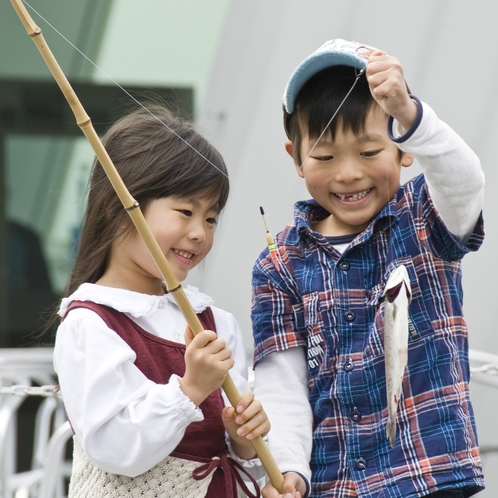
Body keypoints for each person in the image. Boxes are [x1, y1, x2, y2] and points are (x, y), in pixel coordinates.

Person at [251, 39, 485, 498]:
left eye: (368, 151)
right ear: (295, 157)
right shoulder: (279, 263)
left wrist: (412, 114)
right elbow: (282, 384)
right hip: (336, 486)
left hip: (430, 476)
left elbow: (465, 180)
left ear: (403, 147)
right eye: (324, 156)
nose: (348, 173)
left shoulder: (423, 216)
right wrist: (289, 470)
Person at [54, 104, 269, 497]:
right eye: (185, 211)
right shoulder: (89, 324)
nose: (199, 233)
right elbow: (115, 448)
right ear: (117, 208)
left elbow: (241, 456)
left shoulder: (215, 321)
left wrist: (242, 436)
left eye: (211, 218)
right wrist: (190, 389)